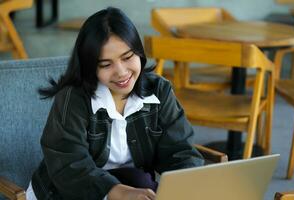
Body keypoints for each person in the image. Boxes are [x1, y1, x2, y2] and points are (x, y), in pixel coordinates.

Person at [26, 7, 204, 200]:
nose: (121, 72)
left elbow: (181, 151)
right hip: (67, 191)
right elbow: (69, 165)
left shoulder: (159, 91)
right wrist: (116, 192)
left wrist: (183, 188)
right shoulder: (73, 99)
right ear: (90, 66)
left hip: (130, 186)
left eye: (127, 57)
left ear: (139, 53)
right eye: (105, 64)